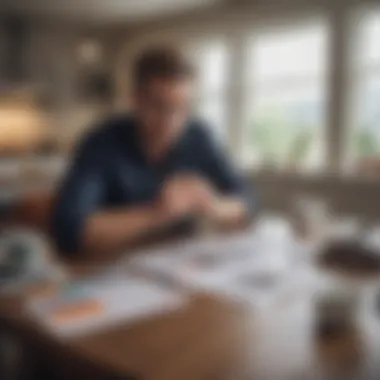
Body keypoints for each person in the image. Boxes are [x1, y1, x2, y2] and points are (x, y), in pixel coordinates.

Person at [51, 46, 256, 257]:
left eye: (182, 108)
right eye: (158, 106)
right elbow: (68, 231)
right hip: (111, 266)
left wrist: (210, 204)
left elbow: (248, 200)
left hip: (177, 265)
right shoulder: (101, 143)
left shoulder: (200, 136)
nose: (171, 122)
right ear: (135, 100)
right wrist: (158, 212)